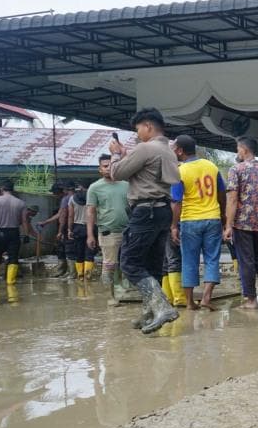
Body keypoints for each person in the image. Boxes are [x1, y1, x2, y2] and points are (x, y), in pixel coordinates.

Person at [108, 108, 181, 334]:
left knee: (129, 262)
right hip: (162, 210)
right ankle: (151, 311)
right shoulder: (168, 150)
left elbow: (116, 174)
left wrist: (116, 154)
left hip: (145, 211)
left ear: (148, 126)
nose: (137, 133)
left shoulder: (145, 148)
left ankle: (161, 307)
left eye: (138, 128)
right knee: (151, 264)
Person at [170, 135, 225, 310]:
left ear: (180, 150)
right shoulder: (211, 166)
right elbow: (222, 194)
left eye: (174, 148)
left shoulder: (179, 171)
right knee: (212, 259)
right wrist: (223, 216)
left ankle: (190, 302)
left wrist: (173, 226)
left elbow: (177, 202)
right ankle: (207, 297)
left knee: (189, 260)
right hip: (212, 218)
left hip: (190, 221)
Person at [223, 136, 258, 310]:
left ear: (244, 149)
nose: (237, 152)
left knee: (246, 261)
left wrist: (228, 225)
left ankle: (251, 300)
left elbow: (232, 199)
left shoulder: (236, 170)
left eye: (238, 148)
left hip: (242, 223)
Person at [86, 154, 130, 289]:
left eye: (111, 165)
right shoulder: (95, 188)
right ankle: (110, 295)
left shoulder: (126, 184)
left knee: (128, 263)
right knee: (110, 265)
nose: (108, 168)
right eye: (105, 166)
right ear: (100, 169)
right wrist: (90, 235)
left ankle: (126, 291)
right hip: (108, 232)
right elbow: (90, 212)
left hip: (129, 231)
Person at [0, 180, 34, 285]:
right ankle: (10, 282)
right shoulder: (20, 203)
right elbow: (24, 221)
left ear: (2, 188)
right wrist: (26, 234)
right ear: (13, 189)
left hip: (0, 232)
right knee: (13, 257)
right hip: (14, 233)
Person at [40, 182, 74, 277]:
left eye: (55, 193)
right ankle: (68, 271)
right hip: (76, 226)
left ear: (60, 192)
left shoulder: (65, 199)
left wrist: (60, 231)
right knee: (70, 249)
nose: (54, 195)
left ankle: (68, 272)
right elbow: (59, 214)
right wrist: (45, 222)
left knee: (65, 249)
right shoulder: (74, 197)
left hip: (67, 227)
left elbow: (62, 216)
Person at [67, 184, 97, 280]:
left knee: (79, 252)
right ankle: (88, 276)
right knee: (90, 252)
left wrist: (69, 229)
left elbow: (71, 216)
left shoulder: (72, 198)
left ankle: (80, 276)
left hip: (77, 227)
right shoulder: (93, 197)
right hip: (92, 226)